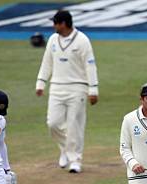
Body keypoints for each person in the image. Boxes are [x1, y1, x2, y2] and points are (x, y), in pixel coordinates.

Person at [35, 9, 99, 174]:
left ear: (63, 24)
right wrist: (41, 83)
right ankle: (65, 148)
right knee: (53, 123)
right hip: (56, 86)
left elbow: (90, 65)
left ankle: (75, 159)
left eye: (55, 22)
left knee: (74, 125)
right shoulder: (53, 40)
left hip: (77, 87)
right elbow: (47, 62)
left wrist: (93, 89)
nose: (53, 26)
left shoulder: (82, 40)